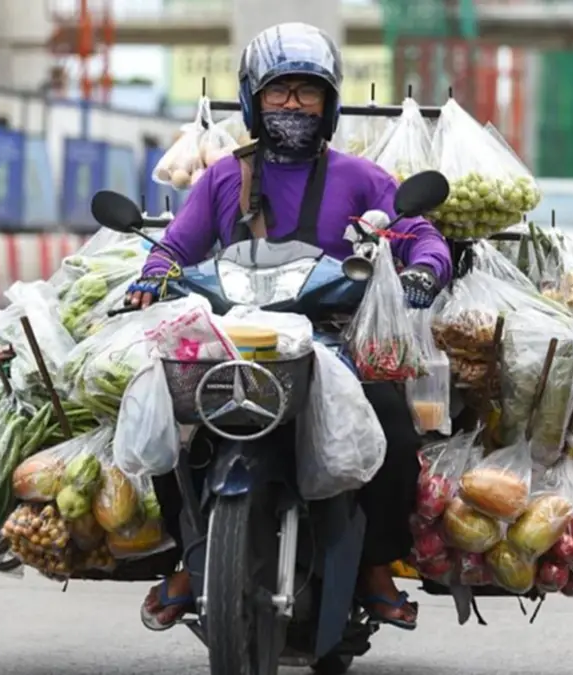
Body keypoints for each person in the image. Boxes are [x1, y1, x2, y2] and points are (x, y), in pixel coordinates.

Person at [130, 22, 451, 633]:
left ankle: (376, 564)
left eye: (309, 92)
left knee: (391, 426)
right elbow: (175, 247)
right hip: (236, 340)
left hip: (332, 337)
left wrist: (423, 271)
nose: (294, 105)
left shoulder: (360, 178)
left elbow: (419, 235)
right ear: (255, 99)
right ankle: (188, 558)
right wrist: (153, 274)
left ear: (329, 104)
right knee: (167, 417)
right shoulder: (226, 176)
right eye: (280, 92)